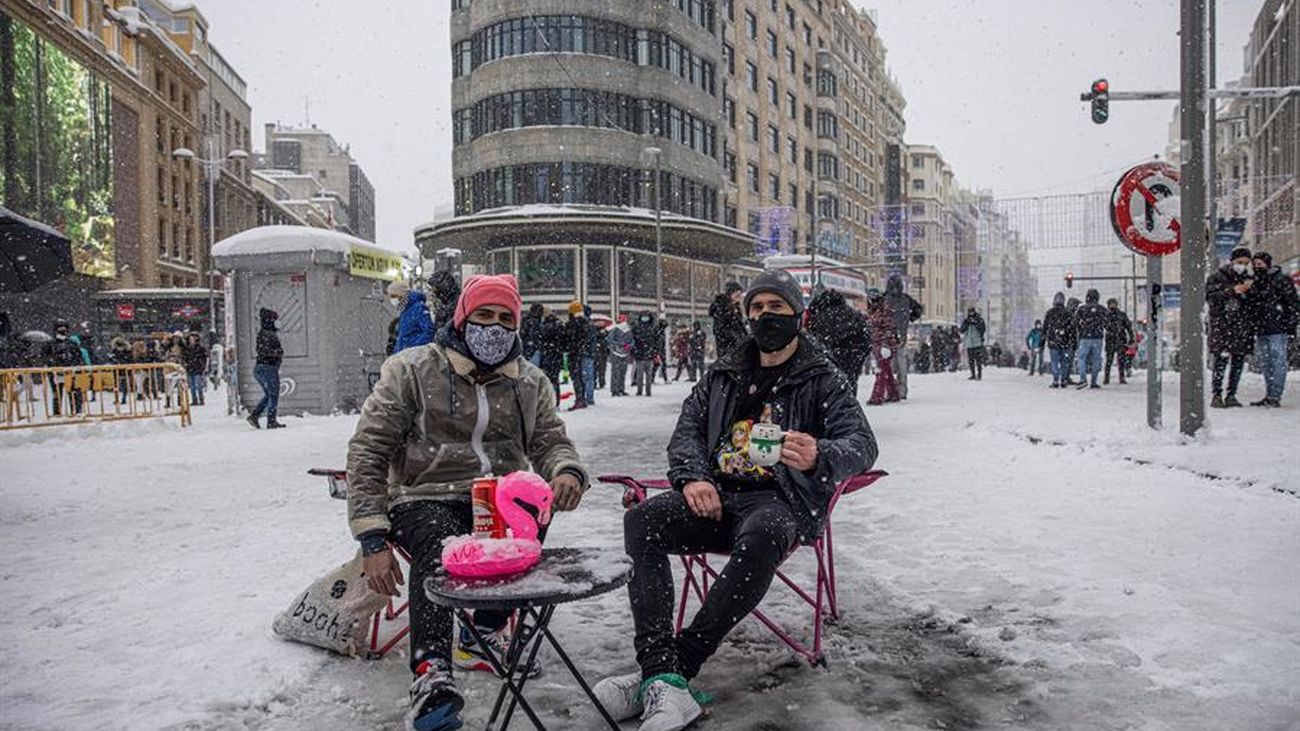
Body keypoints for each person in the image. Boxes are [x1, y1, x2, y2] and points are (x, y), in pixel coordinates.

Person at [594, 269, 877, 731]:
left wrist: (819, 453)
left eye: (776, 308)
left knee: (764, 534)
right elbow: (686, 432)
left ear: (798, 316)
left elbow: (862, 445)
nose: (766, 317)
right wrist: (691, 479)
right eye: (757, 309)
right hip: (717, 496)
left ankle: (674, 670)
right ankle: (658, 670)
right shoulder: (724, 373)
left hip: (779, 500)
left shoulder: (821, 377)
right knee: (642, 521)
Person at [346, 273, 589, 731]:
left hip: (499, 496)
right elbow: (369, 450)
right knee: (444, 549)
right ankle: (431, 671)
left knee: (529, 512)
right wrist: (372, 537)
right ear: (462, 319)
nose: (494, 328)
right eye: (484, 316)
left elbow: (551, 441)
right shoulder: (412, 370)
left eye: (505, 318)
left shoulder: (529, 381)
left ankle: (484, 631)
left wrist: (566, 472)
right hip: (423, 496)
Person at [1206, 247, 1257, 408]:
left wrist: (1250, 291)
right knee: (1220, 362)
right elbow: (1210, 297)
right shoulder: (1217, 277)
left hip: (1242, 326)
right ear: (1232, 261)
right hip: (1222, 325)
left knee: (1238, 362)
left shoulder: (1250, 278)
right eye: (1240, 262)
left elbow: (1256, 302)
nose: (1243, 265)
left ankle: (1232, 394)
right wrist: (1231, 291)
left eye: (1246, 263)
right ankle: (1217, 394)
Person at [1248, 251, 1298, 407]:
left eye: (1260, 264)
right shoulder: (1255, 282)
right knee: (1266, 363)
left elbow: (1292, 303)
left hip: (1277, 328)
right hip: (1263, 328)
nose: (1257, 267)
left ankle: (1275, 395)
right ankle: (1270, 394)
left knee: (1277, 361)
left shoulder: (1281, 280)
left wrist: (1289, 324)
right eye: (1255, 264)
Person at [807, 287, 871, 397]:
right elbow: (865, 334)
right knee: (850, 382)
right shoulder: (852, 313)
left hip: (831, 357)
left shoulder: (820, 317)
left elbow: (814, 339)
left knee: (830, 385)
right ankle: (848, 404)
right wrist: (860, 355)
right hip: (853, 354)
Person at [883, 275, 923, 398]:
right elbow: (919, 309)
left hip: (886, 335)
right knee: (902, 364)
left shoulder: (883, 298)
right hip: (901, 335)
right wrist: (909, 318)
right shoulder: (906, 299)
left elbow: (873, 312)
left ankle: (888, 389)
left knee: (887, 364)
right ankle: (902, 390)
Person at [246, 308, 285, 429]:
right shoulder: (267, 334)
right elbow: (263, 350)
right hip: (268, 367)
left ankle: (255, 415)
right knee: (273, 394)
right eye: (275, 319)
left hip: (263, 367)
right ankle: (270, 420)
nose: (278, 322)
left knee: (269, 394)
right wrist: (278, 352)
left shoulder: (265, 333)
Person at [43, 319, 85, 416]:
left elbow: (78, 357)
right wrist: (54, 362)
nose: (63, 330)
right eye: (60, 328)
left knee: (74, 392)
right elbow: (45, 357)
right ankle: (57, 413)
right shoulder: (50, 344)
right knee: (57, 394)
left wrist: (74, 366)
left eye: (64, 328)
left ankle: (76, 411)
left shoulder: (72, 343)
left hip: (70, 372)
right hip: (55, 373)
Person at [865, 293, 900, 404]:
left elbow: (889, 329)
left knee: (881, 371)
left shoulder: (885, 312)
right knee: (886, 371)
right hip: (878, 345)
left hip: (885, 346)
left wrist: (885, 345)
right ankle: (894, 393)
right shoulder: (873, 312)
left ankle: (877, 396)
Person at [1071, 289, 1108, 390]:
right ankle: (1094, 382)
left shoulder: (1082, 309)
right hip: (1098, 337)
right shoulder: (1102, 309)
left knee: (1081, 358)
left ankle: (1083, 379)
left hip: (1085, 337)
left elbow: (1074, 323)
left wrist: (1081, 327)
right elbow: (1107, 323)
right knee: (1096, 359)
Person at [564, 301, 594, 410]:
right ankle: (582, 399)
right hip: (581, 353)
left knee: (576, 377)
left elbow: (569, 339)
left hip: (574, 353)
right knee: (581, 377)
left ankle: (580, 399)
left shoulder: (572, 324)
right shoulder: (585, 323)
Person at [708, 282, 747, 362]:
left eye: (740, 294)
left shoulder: (736, 308)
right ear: (730, 294)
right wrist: (737, 338)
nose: (739, 296)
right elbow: (719, 330)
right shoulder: (721, 308)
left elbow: (740, 327)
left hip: (738, 349)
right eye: (737, 293)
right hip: (727, 349)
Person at [394, 285, 436, 354]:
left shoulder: (418, 308)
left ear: (401, 295)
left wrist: (413, 348)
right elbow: (402, 336)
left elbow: (429, 331)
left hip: (414, 355)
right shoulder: (404, 311)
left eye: (394, 295)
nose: (393, 299)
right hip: (405, 354)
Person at [1103, 298, 1134, 385]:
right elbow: (1104, 325)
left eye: (1114, 304)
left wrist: (1131, 337)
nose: (1113, 305)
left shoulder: (1122, 315)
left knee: (1121, 360)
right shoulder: (1106, 315)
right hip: (1110, 339)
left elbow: (1128, 326)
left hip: (1120, 339)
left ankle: (1122, 377)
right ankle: (1106, 377)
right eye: (1111, 304)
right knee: (1109, 360)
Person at [1043, 293, 1071, 388]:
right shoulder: (1067, 313)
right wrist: (1073, 340)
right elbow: (1072, 328)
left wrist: (1043, 340)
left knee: (1054, 361)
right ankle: (1063, 380)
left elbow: (1045, 327)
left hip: (1053, 341)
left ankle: (1055, 380)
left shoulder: (1050, 312)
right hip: (1065, 342)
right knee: (1065, 362)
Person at [538, 312, 566, 403]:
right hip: (557, 357)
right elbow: (563, 342)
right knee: (555, 380)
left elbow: (541, 340)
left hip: (547, 357)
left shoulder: (544, 326)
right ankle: (556, 401)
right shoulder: (559, 326)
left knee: (547, 381)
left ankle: (549, 401)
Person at [632, 312, 658, 397]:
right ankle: (641, 390)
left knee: (647, 375)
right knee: (642, 375)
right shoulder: (637, 328)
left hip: (646, 355)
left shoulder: (651, 328)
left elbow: (656, 341)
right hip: (642, 355)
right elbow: (633, 341)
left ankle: (647, 391)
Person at [607, 314, 633, 396]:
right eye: (622, 319)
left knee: (623, 372)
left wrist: (629, 346)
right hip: (616, 353)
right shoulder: (614, 328)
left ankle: (621, 389)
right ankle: (614, 390)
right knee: (615, 372)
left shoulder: (628, 329)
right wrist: (620, 345)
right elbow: (610, 340)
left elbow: (632, 340)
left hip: (625, 353)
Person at [182, 332, 209, 406]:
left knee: (198, 385)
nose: (192, 340)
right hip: (190, 368)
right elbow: (185, 358)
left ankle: (200, 399)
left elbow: (204, 358)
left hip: (197, 368)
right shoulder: (187, 349)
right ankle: (195, 400)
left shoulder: (200, 349)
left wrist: (202, 366)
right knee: (192, 386)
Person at [959, 308, 986, 380]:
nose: (971, 314)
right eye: (970, 312)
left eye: (972, 312)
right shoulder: (966, 320)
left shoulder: (979, 320)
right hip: (969, 343)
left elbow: (983, 329)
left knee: (978, 360)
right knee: (971, 361)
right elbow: (961, 330)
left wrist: (975, 323)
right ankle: (973, 374)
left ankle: (979, 374)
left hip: (977, 343)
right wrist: (967, 324)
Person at [385, 281, 408, 356]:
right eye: (390, 296)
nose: (392, 299)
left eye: (394, 296)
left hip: (406, 355)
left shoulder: (415, 309)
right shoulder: (403, 312)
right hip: (401, 355)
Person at [1062, 297, 1081, 385]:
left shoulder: (1071, 314)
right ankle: (1065, 377)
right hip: (1068, 341)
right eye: (1076, 305)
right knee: (1068, 360)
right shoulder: (1068, 314)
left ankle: (1066, 377)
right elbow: (1072, 328)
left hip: (1070, 341)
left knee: (1069, 360)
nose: (1076, 307)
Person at [520, 302, 545, 367]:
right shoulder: (532, 320)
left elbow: (523, 333)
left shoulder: (527, 318)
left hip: (531, 346)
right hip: (533, 347)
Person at [595, 320, 610, 390]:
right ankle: (595, 383)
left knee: (602, 369)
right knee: (595, 369)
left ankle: (602, 382)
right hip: (597, 352)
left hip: (603, 352)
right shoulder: (594, 331)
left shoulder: (606, 332)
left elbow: (608, 341)